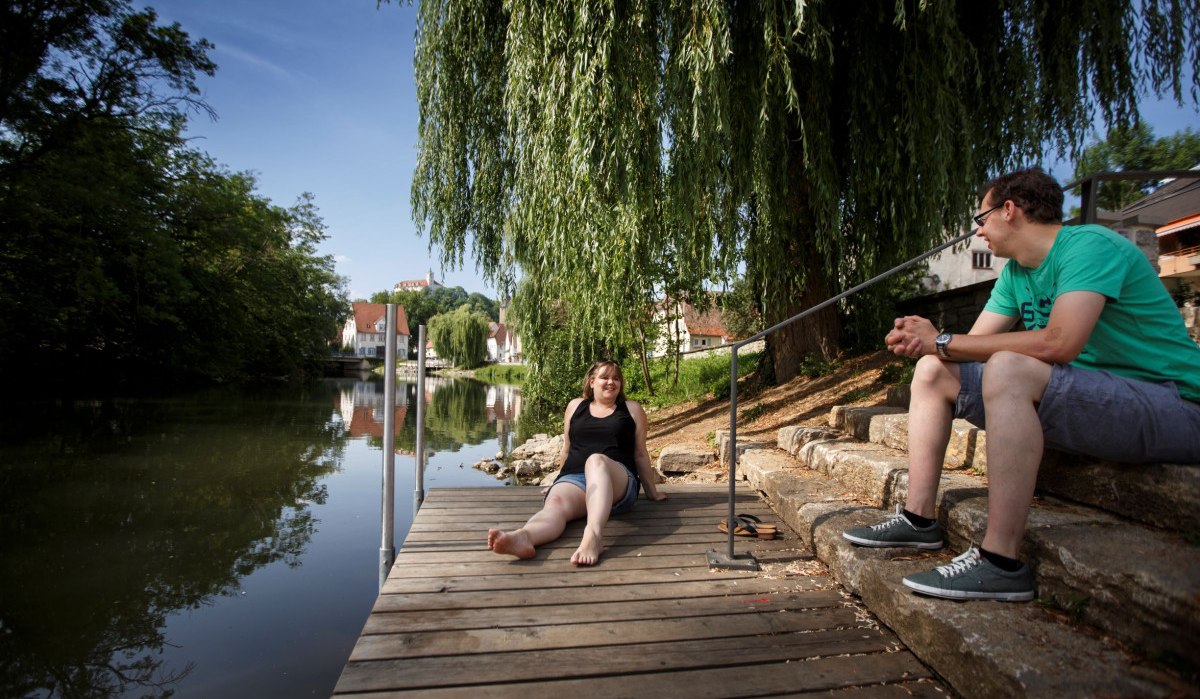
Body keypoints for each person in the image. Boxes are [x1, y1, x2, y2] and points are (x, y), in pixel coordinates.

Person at [843, 167, 1200, 601]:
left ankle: (1001, 562)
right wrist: (929, 341)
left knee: (1008, 366)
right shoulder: (1016, 274)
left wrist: (941, 340)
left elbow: (1060, 342)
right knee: (935, 371)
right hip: (1095, 399)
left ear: (1008, 210)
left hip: (1172, 404)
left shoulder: (1090, 246)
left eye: (981, 220)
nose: (979, 235)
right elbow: (969, 348)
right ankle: (919, 521)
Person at [488, 360, 667, 565]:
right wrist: (557, 481)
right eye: (604, 377)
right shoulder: (575, 406)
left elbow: (640, 454)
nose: (611, 382)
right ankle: (524, 536)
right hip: (576, 479)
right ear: (591, 382)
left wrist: (651, 493)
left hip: (618, 481)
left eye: (616, 378)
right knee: (554, 505)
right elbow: (567, 449)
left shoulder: (632, 409)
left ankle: (593, 535)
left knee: (595, 461)